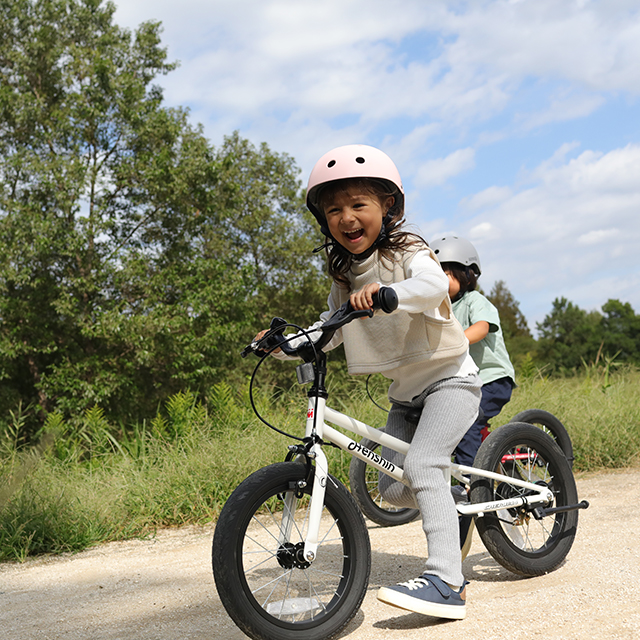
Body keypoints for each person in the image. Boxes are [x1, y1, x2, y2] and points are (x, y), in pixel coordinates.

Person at [259, 144, 481, 620]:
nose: (347, 217)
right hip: (406, 396)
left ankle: (448, 583)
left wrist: (388, 293)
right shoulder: (343, 274)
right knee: (395, 490)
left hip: (450, 380)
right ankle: (455, 500)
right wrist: (285, 344)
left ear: (388, 207)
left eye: (359, 205)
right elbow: (330, 329)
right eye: (334, 209)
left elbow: (434, 286)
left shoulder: (408, 252)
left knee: (422, 467)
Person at [430, 235, 516, 558]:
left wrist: (458, 341)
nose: (440, 282)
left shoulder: (474, 302)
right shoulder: (442, 310)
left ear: (466, 275)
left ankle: (468, 478)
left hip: (492, 379)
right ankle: (459, 472)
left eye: (446, 275)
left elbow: (481, 327)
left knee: (469, 419)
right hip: (464, 382)